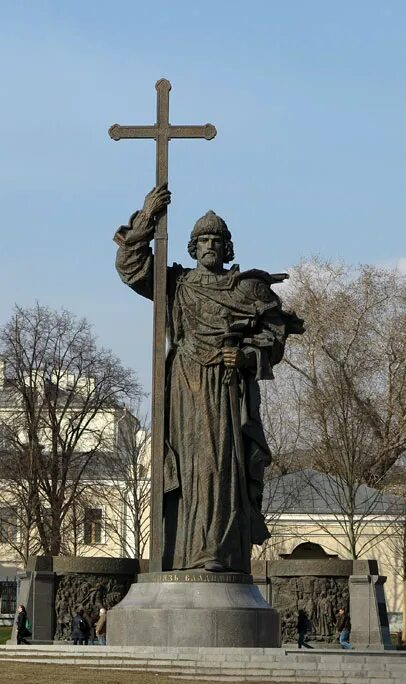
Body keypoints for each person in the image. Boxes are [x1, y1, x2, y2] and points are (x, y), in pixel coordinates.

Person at [114, 185, 304, 574]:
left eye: (217, 240)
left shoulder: (247, 289)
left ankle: (215, 550)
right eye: (202, 239)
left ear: (228, 248)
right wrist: (147, 217)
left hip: (226, 387)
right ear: (192, 246)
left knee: (221, 467)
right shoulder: (177, 285)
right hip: (185, 386)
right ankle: (181, 554)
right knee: (187, 470)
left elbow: (274, 337)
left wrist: (247, 355)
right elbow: (131, 268)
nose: (210, 245)